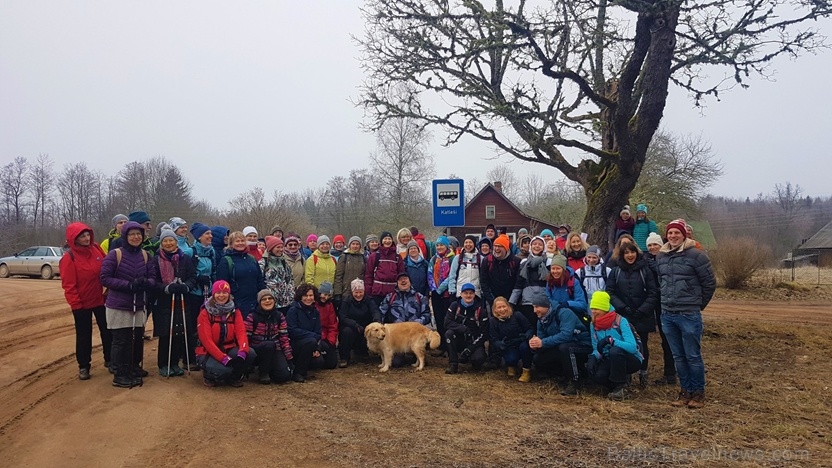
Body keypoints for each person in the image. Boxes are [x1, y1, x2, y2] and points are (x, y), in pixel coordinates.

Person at [656, 219, 716, 409]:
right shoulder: (661, 256)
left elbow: (709, 283)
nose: (673, 236)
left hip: (688, 313)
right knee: (678, 356)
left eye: (677, 233)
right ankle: (685, 391)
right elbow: (661, 282)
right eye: (670, 233)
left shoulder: (697, 256)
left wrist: (697, 304)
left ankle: (698, 393)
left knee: (692, 355)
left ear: (684, 235)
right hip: (667, 313)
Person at [99, 221, 156, 388]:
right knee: (121, 339)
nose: (136, 237)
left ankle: (133, 365)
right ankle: (119, 373)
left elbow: (153, 276)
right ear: (125, 236)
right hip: (118, 304)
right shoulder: (115, 254)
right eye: (132, 234)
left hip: (138, 304)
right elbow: (105, 278)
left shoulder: (146, 255)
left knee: (137, 337)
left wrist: (147, 283)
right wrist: (128, 285)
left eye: (139, 234)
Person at [61, 222, 112, 380]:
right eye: (82, 236)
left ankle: (110, 360)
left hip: (101, 299)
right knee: (84, 335)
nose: (86, 238)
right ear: (73, 239)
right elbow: (69, 285)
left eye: (87, 234)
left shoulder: (96, 249)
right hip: (82, 303)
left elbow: (107, 267)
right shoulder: (69, 257)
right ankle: (84, 366)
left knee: (108, 331)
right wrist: (76, 305)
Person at [606, 242, 659, 388]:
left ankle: (643, 372)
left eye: (632, 252)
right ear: (622, 255)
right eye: (626, 253)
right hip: (623, 315)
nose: (630, 255)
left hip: (643, 314)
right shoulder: (615, 271)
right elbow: (610, 291)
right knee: (624, 343)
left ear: (637, 253)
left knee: (643, 344)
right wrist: (622, 308)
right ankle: (626, 374)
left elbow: (653, 292)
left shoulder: (645, 271)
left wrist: (643, 309)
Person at [152, 229, 196, 377]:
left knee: (179, 332)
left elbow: (192, 276)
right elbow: (154, 280)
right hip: (164, 301)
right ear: (161, 243)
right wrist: (166, 288)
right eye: (165, 241)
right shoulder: (156, 259)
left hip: (182, 299)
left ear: (176, 242)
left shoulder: (184, 258)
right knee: (166, 333)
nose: (169, 243)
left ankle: (175, 363)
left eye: (171, 240)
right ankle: (163, 364)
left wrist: (187, 286)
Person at [528, 294, 591, 395]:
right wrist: (535, 344)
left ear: (546, 306)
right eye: (533, 307)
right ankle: (562, 375)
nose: (534, 311)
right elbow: (542, 339)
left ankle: (575, 381)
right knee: (538, 358)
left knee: (565, 348)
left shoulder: (564, 313)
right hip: (561, 345)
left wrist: (543, 342)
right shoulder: (541, 320)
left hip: (581, 343)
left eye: (537, 307)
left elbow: (566, 335)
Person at [585, 291, 643, 401]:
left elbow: (632, 347)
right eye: (592, 308)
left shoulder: (620, 321)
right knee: (598, 377)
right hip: (608, 358)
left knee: (615, 351)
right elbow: (595, 346)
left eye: (596, 309)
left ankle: (620, 387)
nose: (593, 311)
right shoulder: (593, 323)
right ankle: (617, 384)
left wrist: (611, 341)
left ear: (605, 308)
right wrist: (593, 357)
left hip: (630, 358)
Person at [196, 280, 255, 387]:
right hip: (208, 351)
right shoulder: (205, 312)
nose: (221, 295)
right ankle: (209, 375)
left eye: (224, 292)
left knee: (250, 354)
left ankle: (234, 377)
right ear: (213, 294)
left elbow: (241, 333)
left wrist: (243, 350)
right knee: (223, 371)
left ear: (229, 294)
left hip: (228, 347)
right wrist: (222, 358)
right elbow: (206, 340)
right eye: (218, 293)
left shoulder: (235, 311)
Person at [286, 284, 338, 382]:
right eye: (305, 296)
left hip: (312, 343)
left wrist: (317, 348)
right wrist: (312, 337)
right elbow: (292, 331)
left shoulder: (315, 312)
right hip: (295, 343)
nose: (308, 298)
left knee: (319, 362)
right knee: (310, 341)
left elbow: (318, 331)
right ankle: (298, 373)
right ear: (300, 297)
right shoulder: (293, 310)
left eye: (311, 295)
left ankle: (304, 364)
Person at [645, 231, 676, 386]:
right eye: (649, 245)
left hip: (665, 301)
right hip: (651, 301)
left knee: (667, 338)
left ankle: (670, 372)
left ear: (660, 245)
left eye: (655, 244)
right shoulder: (646, 260)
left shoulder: (667, 258)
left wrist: (656, 267)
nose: (652, 247)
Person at [246, 289, 293, 384]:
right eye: (264, 299)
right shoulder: (252, 317)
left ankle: (271, 368)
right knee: (268, 345)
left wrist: (289, 358)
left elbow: (284, 338)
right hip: (257, 349)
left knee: (283, 376)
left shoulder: (279, 316)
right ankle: (263, 373)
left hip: (276, 348)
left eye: (270, 298)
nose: (267, 301)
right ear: (259, 302)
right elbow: (246, 338)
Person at [216, 231, 265, 318]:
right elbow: (222, 283)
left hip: (255, 301)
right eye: (237, 241)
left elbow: (259, 279)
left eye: (242, 241)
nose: (240, 243)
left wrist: (263, 296)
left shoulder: (251, 259)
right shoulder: (226, 261)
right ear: (231, 244)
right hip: (237, 302)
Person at [187, 222, 215, 369]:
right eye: (207, 234)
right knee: (194, 325)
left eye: (210, 233)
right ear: (199, 237)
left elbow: (214, 270)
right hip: (194, 294)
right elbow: (187, 272)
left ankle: (207, 354)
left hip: (209, 293)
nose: (210, 236)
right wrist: (198, 277)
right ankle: (191, 358)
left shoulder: (211, 251)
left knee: (208, 325)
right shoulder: (191, 252)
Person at [444, 283, 489, 374]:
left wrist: (470, 349)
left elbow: (484, 333)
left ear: (474, 294)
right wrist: (463, 328)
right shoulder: (454, 305)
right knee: (449, 334)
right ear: (461, 294)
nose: (468, 295)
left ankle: (470, 358)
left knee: (478, 359)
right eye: (466, 293)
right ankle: (453, 364)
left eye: (471, 293)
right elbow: (447, 323)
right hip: (459, 338)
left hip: (474, 340)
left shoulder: (481, 309)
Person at [337, 279, 382, 367]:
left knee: (371, 331)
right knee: (347, 332)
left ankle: (363, 352)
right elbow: (342, 317)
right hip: (351, 326)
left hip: (365, 326)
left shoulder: (369, 300)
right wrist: (355, 325)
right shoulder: (346, 301)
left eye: (360, 292)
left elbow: (375, 311)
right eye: (356, 292)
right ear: (352, 292)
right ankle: (344, 357)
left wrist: (377, 321)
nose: (358, 295)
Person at [488, 297, 533, 382]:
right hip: (508, 345)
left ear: (508, 306)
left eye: (504, 306)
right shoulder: (493, 321)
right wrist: (499, 344)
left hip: (521, 342)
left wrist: (527, 335)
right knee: (511, 358)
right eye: (499, 307)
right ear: (495, 310)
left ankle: (526, 371)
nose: (502, 309)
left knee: (525, 348)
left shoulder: (517, 315)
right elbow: (493, 338)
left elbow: (530, 328)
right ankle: (511, 365)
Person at [509, 236, 549, 328]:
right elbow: (518, 284)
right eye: (534, 244)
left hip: (544, 300)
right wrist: (511, 303)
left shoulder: (548, 262)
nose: (537, 246)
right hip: (527, 301)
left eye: (540, 244)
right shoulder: (524, 262)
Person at [428, 236, 455, 354]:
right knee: (438, 319)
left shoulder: (452, 258)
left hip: (447, 294)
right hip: (435, 294)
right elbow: (429, 274)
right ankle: (441, 345)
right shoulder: (433, 259)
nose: (439, 247)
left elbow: (452, 276)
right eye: (437, 245)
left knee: (447, 319)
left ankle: (450, 345)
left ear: (447, 246)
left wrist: (440, 289)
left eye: (441, 245)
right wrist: (434, 288)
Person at [364, 231, 404, 306]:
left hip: (393, 292)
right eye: (385, 239)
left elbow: (401, 275)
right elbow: (368, 275)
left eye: (389, 239)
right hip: (377, 292)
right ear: (381, 241)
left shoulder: (397, 257)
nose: (387, 241)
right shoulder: (375, 256)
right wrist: (368, 292)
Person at [544, 255, 588, 323]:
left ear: (563, 269)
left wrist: (568, 304)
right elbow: (547, 299)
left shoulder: (573, 282)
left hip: (572, 315)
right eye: (553, 268)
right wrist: (557, 305)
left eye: (558, 268)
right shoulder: (550, 282)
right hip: (554, 315)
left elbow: (582, 304)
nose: (555, 271)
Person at [480, 234, 520, 306]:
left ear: (506, 248)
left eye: (500, 246)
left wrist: (511, 303)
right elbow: (484, 282)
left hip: (510, 301)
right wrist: (493, 301)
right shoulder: (487, 261)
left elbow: (518, 284)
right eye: (495, 246)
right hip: (492, 300)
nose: (497, 248)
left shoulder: (515, 261)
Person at [259, 236, 295, 313]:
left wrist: (291, 297)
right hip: (269, 303)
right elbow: (259, 282)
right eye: (278, 247)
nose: (281, 250)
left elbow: (290, 280)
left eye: (282, 247)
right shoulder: (263, 263)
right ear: (271, 248)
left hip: (285, 303)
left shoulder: (284, 263)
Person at [334, 236, 366, 307]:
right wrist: (337, 293)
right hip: (346, 292)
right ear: (349, 245)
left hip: (359, 293)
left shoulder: (363, 257)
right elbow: (339, 276)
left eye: (357, 244)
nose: (355, 246)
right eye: (353, 244)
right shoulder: (344, 257)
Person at [316, 282, 340, 363]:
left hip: (326, 337)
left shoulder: (329, 306)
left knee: (332, 363)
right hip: (316, 337)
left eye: (328, 295)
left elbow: (333, 325)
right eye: (324, 294)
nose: (325, 297)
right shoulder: (312, 305)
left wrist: (331, 341)